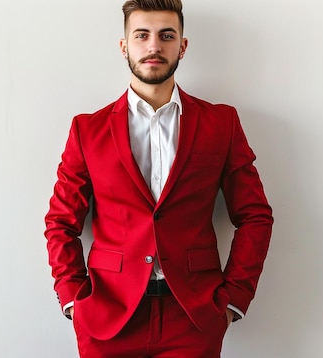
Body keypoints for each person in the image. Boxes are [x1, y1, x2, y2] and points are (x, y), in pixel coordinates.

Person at [44, 0, 274, 357]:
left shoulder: (221, 124)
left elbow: (255, 216)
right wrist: (73, 299)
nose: (154, 46)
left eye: (167, 36)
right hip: (108, 315)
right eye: (142, 35)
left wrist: (234, 300)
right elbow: (61, 222)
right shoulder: (87, 130)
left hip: (194, 317)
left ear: (182, 46)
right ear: (124, 47)